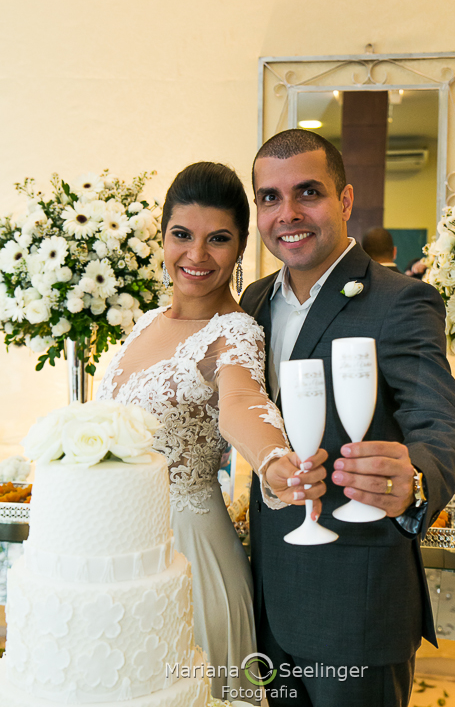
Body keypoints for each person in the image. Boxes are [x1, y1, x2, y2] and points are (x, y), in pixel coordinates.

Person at [240, 129, 455, 707]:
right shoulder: (252, 301)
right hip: (269, 601)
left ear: (344, 201)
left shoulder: (399, 300)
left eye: (307, 193)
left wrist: (416, 479)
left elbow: (440, 426)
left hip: (358, 608)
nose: (287, 213)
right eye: (269, 197)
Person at [96, 161, 326, 701]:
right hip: (115, 551)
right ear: (163, 234)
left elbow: (242, 405)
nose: (197, 256)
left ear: (242, 245)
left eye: (218, 239)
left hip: (188, 557)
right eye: (183, 235)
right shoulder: (146, 322)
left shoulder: (234, 332)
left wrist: (274, 460)